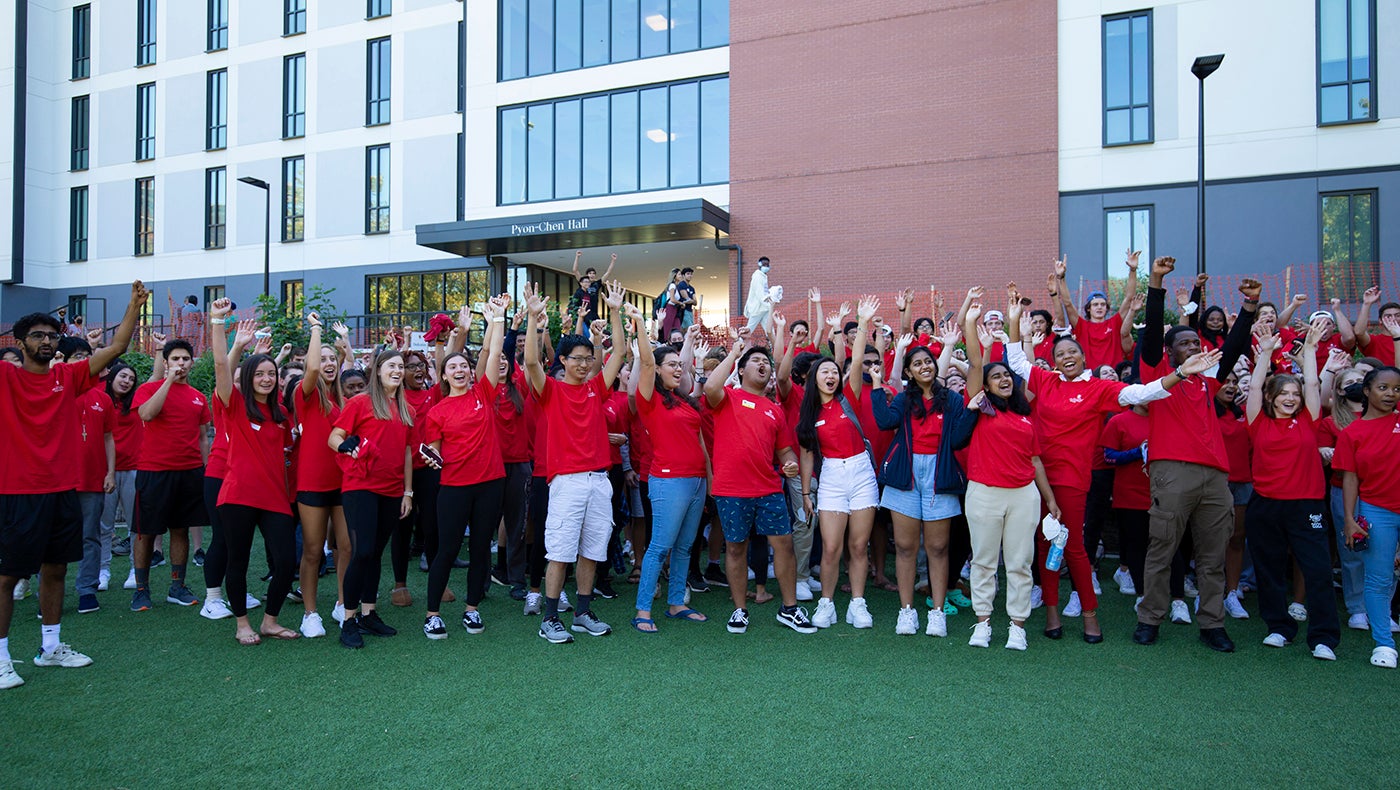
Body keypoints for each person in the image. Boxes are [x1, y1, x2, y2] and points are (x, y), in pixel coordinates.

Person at [1004, 283, 1214, 642]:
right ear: (1053, 360)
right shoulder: (1047, 380)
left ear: (1084, 357)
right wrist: (1013, 323)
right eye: (1061, 353)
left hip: (1070, 479)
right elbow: (1016, 361)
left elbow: (1141, 393)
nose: (1067, 357)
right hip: (1034, 476)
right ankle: (1052, 613)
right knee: (1042, 544)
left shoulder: (1099, 388)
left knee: (1071, 546)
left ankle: (1089, 614)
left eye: (1073, 352)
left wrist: (1180, 373)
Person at [0, 280, 147, 690]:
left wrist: (134, 305)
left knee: (56, 569)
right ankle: (1, 658)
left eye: (52, 335)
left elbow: (115, 348)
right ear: (21, 341)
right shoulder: (4, 378)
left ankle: (50, 647)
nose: (46, 341)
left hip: (61, 490)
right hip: (16, 492)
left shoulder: (68, 376)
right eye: (38, 336)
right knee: (7, 577)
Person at [1133, 256, 1261, 652]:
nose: (1193, 347)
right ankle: (1150, 618)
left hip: (1215, 477)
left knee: (1212, 555)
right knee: (1162, 549)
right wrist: (1156, 281)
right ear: (1170, 353)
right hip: (1172, 472)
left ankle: (1212, 624)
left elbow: (1236, 342)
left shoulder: (1208, 382)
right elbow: (1154, 330)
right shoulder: (1158, 376)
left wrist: (1250, 307)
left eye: (1197, 343)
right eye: (1185, 343)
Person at [522, 280, 627, 644]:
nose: (584, 364)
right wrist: (536, 321)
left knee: (593, 550)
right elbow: (531, 361)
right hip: (565, 481)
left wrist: (614, 311)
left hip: (600, 479)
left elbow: (619, 354)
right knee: (561, 551)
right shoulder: (549, 390)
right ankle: (551, 617)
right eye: (577, 359)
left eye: (588, 359)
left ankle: (581, 612)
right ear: (563, 361)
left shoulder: (597, 388)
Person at [703, 327, 816, 635]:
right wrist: (734, 352)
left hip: (768, 488)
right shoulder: (727, 397)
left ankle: (789, 609)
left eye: (766, 362)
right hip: (731, 490)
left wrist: (790, 464)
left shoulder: (774, 410)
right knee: (736, 549)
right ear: (741, 370)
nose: (763, 365)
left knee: (784, 546)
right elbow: (710, 387)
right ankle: (740, 610)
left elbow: (785, 451)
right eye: (755, 361)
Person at [959, 301, 1057, 651]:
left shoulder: (1026, 417)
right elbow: (974, 362)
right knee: (984, 561)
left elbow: (1036, 460)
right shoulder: (982, 407)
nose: (1002, 379)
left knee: (1020, 563)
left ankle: (1018, 626)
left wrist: (1049, 498)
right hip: (984, 493)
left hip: (1023, 495)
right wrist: (971, 323)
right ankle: (983, 622)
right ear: (985, 386)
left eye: (1006, 376)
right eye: (995, 376)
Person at [1243, 324, 1338, 660]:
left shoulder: (1310, 419)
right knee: (1269, 570)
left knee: (1317, 570)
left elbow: (1312, 383)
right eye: (1284, 393)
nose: (1290, 398)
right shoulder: (1257, 421)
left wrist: (1310, 350)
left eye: (1294, 395)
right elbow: (1255, 386)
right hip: (1265, 506)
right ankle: (1278, 628)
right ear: (1271, 397)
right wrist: (1265, 353)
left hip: (1306, 504)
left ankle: (1324, 637)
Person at [418, 297, 509, 639]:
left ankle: (472, 609)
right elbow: (434, 452)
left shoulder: (483, 393)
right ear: (443, 375)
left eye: (464, 366)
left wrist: (497, 320)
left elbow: (494, 353)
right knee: (448, 549)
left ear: (471, 372)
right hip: (454, 488)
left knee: (481, 550)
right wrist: (430, 456)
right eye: (452, 367)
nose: (459, 370)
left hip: (490, 484)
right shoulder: (438, 411)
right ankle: (432, 614)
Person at [209, 304, 300, 645]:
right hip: (238, 495)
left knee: (286, 560)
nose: (266, 378)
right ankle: (242, 624)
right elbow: (221, 365)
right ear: (248, 378)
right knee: (239, 560)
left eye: (271, 374)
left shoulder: (279, 413)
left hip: (274, 497)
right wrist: (221, 326)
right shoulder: (232, 405)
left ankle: (270, 622)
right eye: (259, 373)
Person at [870, 331, 972, 636]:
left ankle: (937, 612)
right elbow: (884, 422)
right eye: (917, 363)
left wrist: (972, 410)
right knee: (905, 547)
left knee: (938, 547)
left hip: (940, 475)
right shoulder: (904, 398)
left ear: (936, 366)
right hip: (906, 474)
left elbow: (958, 439)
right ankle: (906, 611)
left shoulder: (952, 399)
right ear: (909, 372)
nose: (924, 366)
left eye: (929, 361)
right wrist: (877, 386)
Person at [796, 297, 882, 630]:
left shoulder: (850, 397)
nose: (831, 376)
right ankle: (827, 604)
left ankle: (857, 604)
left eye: (834, 371)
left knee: (858, 546)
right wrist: (805, 493)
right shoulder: (809, 415)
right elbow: (806, 455)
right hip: (830, 475)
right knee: (831, 547)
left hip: (861, 473)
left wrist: (862, 322)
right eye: (824, 372)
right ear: (814, 379)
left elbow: (857, 357)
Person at [328, 349, 415, 649]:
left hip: (392, 490)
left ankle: (368, 613)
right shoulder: (359, 402)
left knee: (375, 553)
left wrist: (408, 492)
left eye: (401, 366)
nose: (398, 370)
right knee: (362, 551)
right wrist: (346, 447)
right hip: (360, 485)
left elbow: (405, 452)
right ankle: (348, 619)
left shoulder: (406, 409)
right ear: (377, 370)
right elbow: (334, 437)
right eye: (391, 365)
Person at [629, 306, 710, 632]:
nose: (679, 369)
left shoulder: (685, 400)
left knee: (686, 546)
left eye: (680, 364)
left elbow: (701, 442)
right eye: (672, 365)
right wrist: (639, 323)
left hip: (696, 481)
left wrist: (710, 478)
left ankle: (677, 602)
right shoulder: (648, 399)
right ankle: (642, 610)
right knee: (660, 546)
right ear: (658, 370)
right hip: (667, 482)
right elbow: (647, 361)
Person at [131, 338, 211, 612]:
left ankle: (177, 586)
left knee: (181, 529)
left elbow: (202, 438)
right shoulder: (148, 389)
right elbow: (147, 414)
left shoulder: (198, 397)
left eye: (185, 359)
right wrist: (168, 382)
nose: (181, 364)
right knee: (145, 531)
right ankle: (141, 589)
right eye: (175, 359)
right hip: (154, 471)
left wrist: (205, 468)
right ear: (166, 363)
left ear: (191, 362)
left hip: (189, 472)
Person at [1334, 365, 1400, 669]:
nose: (1391, 394)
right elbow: (1350, 479)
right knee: (1378, 579)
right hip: (1377, 511)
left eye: (1397, 389)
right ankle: (1384, 644)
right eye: (1383, 388)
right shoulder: (1352, 433)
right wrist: (1349, 519)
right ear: (1367, 391)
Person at [291, 312, 348, 637]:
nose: (327, 363)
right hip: (312, 484)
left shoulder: (341, 400)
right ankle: (310, 613)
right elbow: (311, 368)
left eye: (332, 359)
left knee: (346, 547)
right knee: (313, 551)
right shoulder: (306, 393)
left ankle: (342, 603)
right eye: (322, 358)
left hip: (343, 484)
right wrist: (315, 329)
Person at [63, 338, 116, 616]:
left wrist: (110, 472)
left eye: (86, 356)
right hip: (58, 480)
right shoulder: (57, 391)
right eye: (76, 357)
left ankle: (86, 590)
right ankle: (48, 593)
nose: (83, 361)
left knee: (90, 537)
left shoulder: (103, 398)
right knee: (52, 538)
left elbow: (109, 438)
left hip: (92, 479)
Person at [1052, 252, 1139, 370]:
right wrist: (1061, 278)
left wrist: (1133, 270)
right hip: (1090, 378)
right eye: (1095, 304)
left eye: (1103, 304)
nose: (1099, 307)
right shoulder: (1081, 326)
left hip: (1112, 376)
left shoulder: (1115, 323)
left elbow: (1129, 298)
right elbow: (1067, 303)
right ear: (1089, 308)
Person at [100, 363, 143, 594]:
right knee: (104, 525)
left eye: (131, 378)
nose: (126, 381)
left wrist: (158, 351)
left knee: (134, 524)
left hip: (133, 469)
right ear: (112, 377)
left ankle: (135, 570)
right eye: (122, 376)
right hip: (106, 471)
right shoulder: (100, 399)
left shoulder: (136, 402)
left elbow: (156, 376)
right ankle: (103, 570)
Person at [1351, 288, 1398, 367]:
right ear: (1380, 320)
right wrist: (1367, 304)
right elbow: (1359, 332)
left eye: (1398, 315)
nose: (1393, 318)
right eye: (1388, 316)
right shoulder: (1375, 341)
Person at [744, 256, 774, 335]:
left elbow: (764, 292)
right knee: (749, 330)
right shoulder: (758, 277)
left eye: (768, 265)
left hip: (763, 309)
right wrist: (769, 305)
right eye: (764, 264)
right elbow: (759, 294)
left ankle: (774, 346)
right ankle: (739, 343)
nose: (766, 267)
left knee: (770, 331)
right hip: (757, 309)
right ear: (759, 264)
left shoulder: (763, 277)